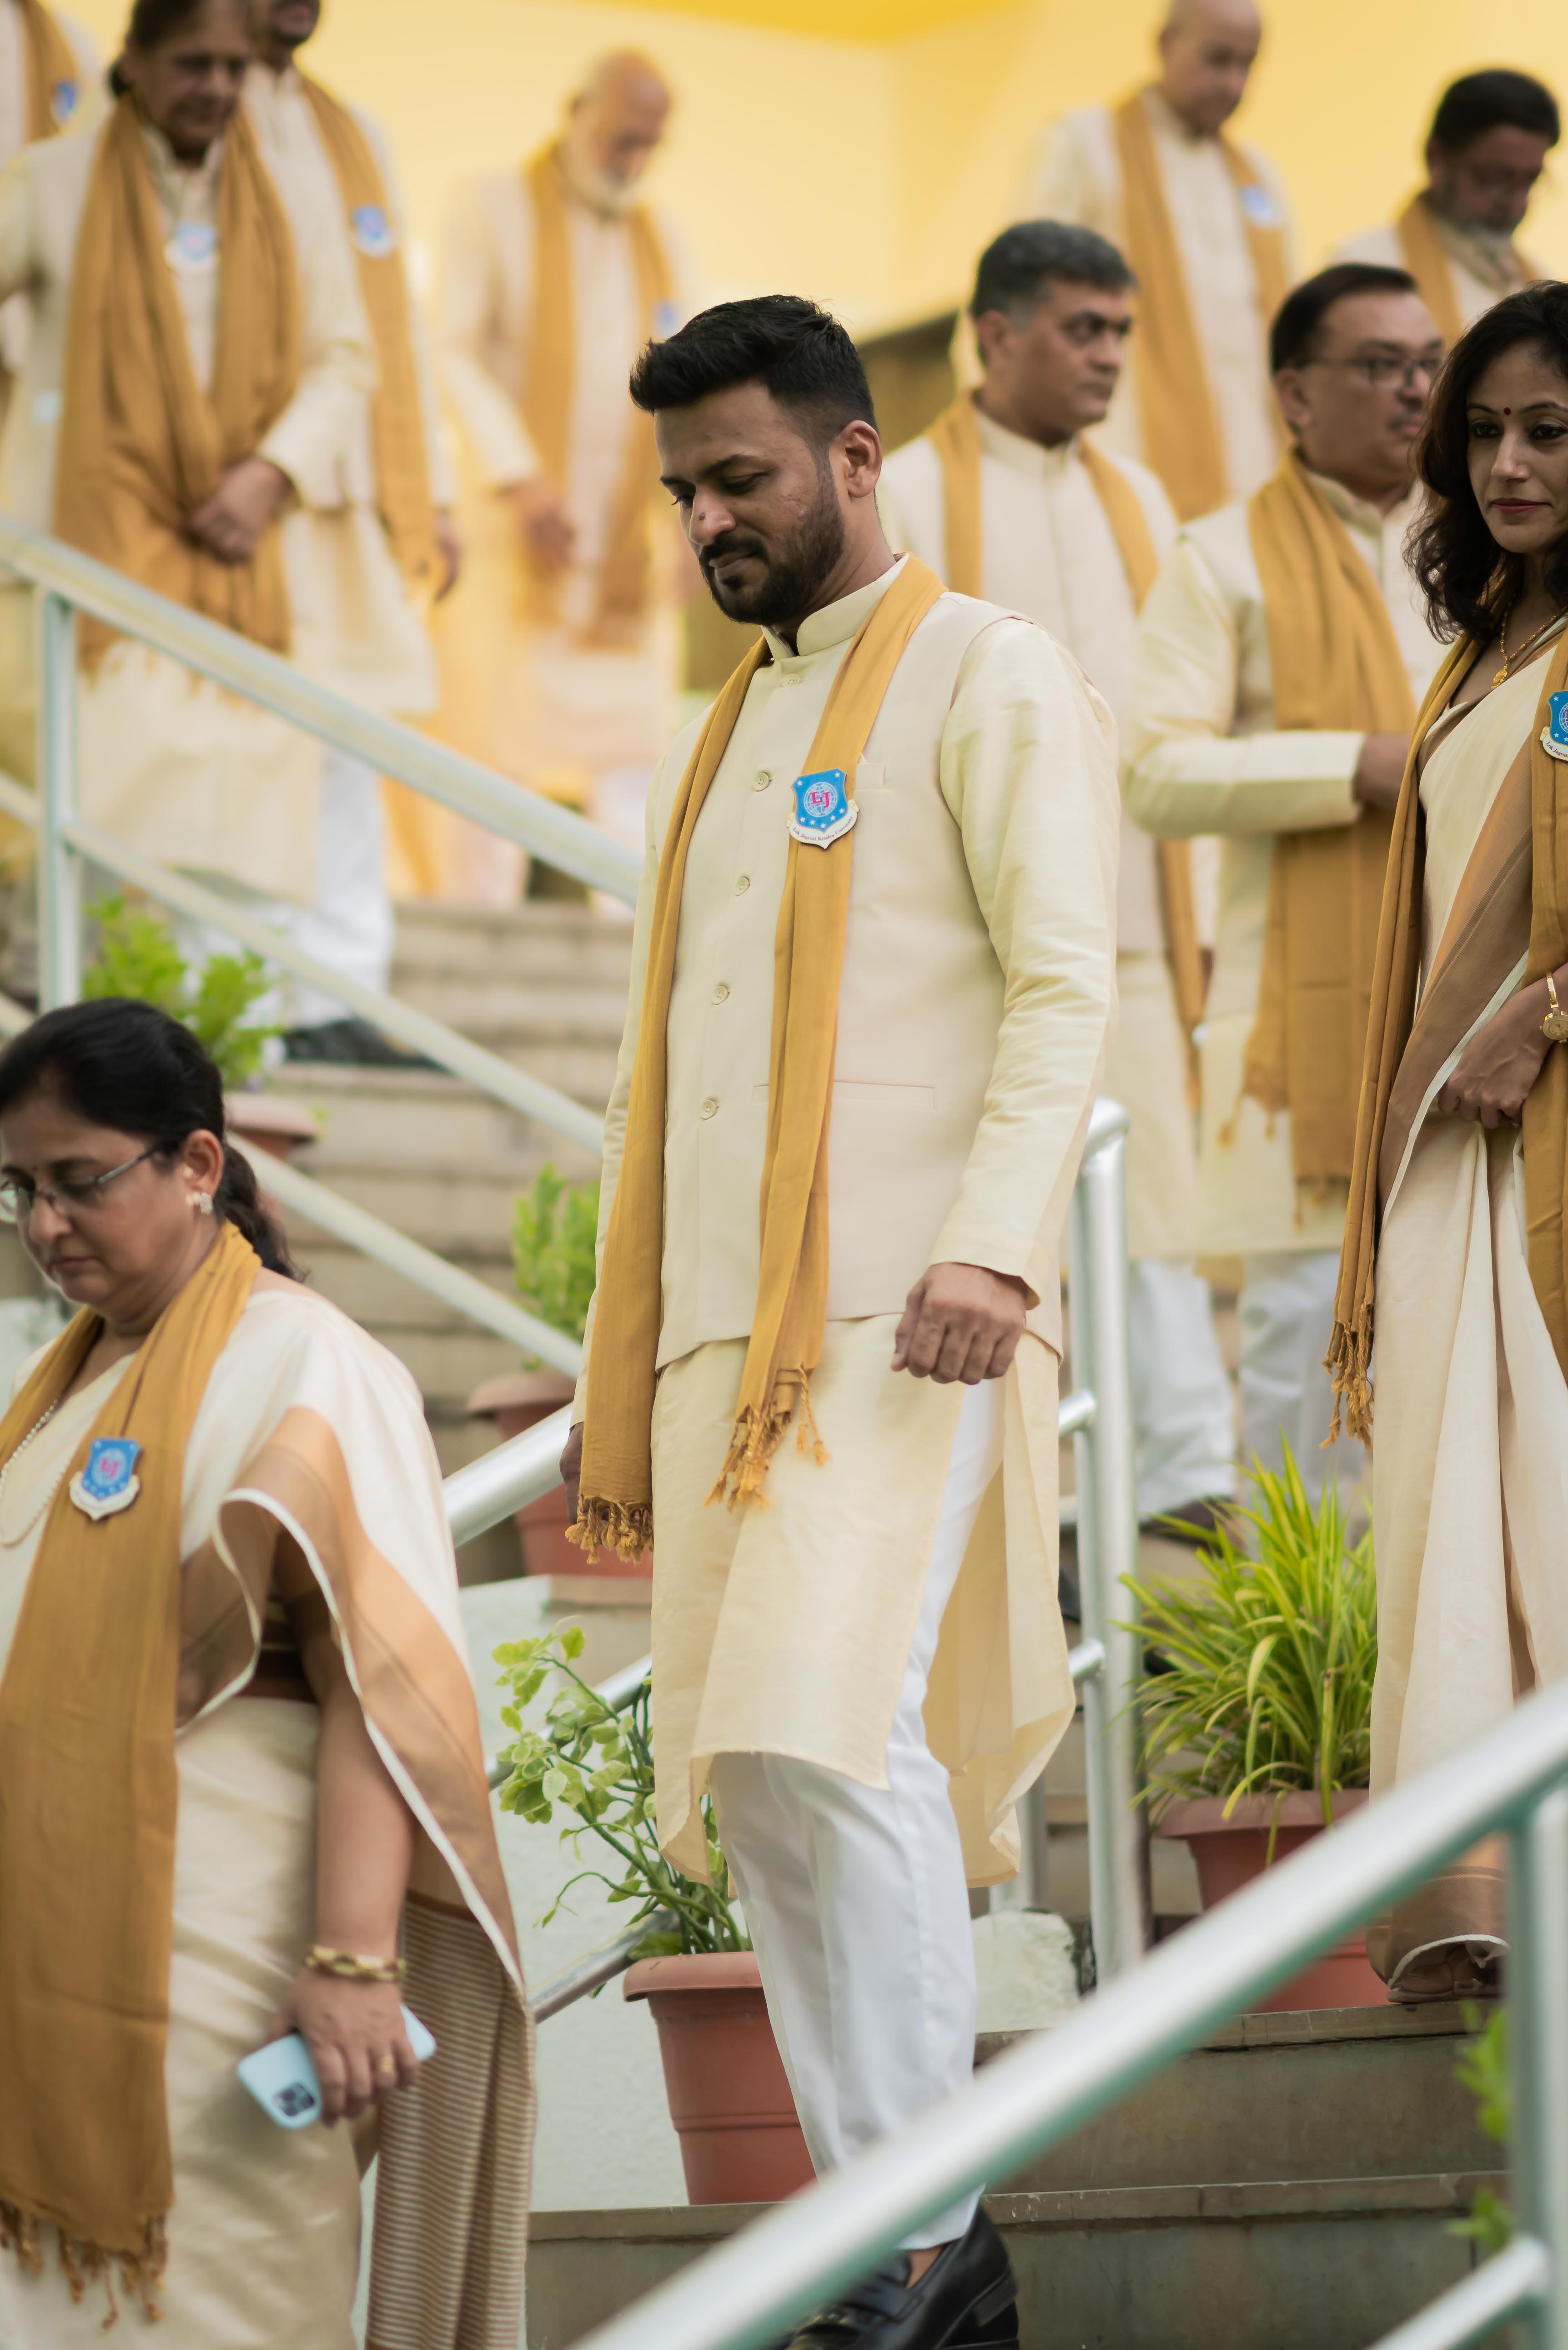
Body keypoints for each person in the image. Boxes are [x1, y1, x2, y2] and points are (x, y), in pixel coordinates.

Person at [562, 295, 1117, 2350]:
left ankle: (917, 2232)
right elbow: (668, 1084)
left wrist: (995, 1244)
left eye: (741, 477)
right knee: (764, 1777)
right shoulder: (715, 737)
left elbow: (1064, 979)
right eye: (683, 491)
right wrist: (626, 1350)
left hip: (907, 1314)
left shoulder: (985, 666)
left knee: (836, 1726)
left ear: (855, 457)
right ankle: (901, 2237)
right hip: (724, 1345)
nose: (709, 519)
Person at [0, 998, 530, 2345]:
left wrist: (353, 1959)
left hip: (210, 1964)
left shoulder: (309, 1359)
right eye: (21, 1190)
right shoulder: (54, 1394)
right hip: (37, 1970)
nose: (47, 1225)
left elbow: (377, 1689)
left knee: (220, 2300)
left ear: (197, 1163)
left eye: (80, 1181)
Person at [879, 218, 1234, 1542]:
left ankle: (1184, 1475)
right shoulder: (908, 491)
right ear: (995, 333)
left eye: (1120, 333)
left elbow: (1177, 712)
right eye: (1083, 329)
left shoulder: (1139, 496)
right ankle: (1047, 1506)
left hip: (1138, 914)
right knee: (1010, 1208)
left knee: (1152, 1202)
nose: (1108, 357)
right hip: (982, 929)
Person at [1330, 284, 1568, 2000]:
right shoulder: (1481, 652)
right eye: (1480, 431)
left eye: (1547, 431)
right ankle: (1492, 1892)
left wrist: (1540, 1014)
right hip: (1450, 1158)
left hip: (1538, 1147)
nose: (1507, 463)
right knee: (1455, 1521)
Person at [1124, 264, 1444, 1498]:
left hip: (1482, 987)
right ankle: (1304, 1620)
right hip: (1304, 1032)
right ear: (1294, 395)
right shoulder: (1218, 559)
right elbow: (1153, 773)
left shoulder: (1490, 545)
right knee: (1309, 1340)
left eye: (1427, 364)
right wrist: (1350, 766)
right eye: (1378, 365)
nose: (1412, 389)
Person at [0, 0, 372, 1004]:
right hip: (91, 550)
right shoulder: (56, 178)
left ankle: (213, 1040)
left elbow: (345, 358)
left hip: (240, 554)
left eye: (232, 67)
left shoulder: (295, 192)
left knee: (232, 812)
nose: (214, 87)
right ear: (135, 61)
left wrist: (270, 472)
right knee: (98, 802)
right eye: (190, 63)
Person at [246, 0, 460, 1062]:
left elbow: (398, 323)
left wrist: (438, 491)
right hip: (236, 487)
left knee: (345, 737)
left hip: (353, 488)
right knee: (249, 739)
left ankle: (337, 991)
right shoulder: (181, 110)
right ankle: (256, 999)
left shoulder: (353, 132)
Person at [431, 50, 694, 904]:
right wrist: (519, 477)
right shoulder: (488, 206)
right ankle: (481, 923)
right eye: (619, 138)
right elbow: (449, 348)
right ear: (576, 111)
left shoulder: (663, 241)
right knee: (491, 745)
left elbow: (693, 384)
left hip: (623, 547)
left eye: (647, 147)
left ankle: (632, 928)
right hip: (514, 534)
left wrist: (695, 518)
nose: (630, 161)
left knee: (634, 746)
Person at [1025, 0, 1295, 521]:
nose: (1233, 83)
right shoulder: (1082, 148)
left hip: (1254, 470)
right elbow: (1014, 300)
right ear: (1165, 45)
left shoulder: (1259, 177)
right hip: (1121, 461)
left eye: (1247, 65)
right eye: (1217, 59)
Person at [1335, 71, 1559, 348]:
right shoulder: (1363, 271)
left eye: (1530, 182)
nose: (1515, 204)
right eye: (1494, 179)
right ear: (1436, 157)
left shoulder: (1536, 283)